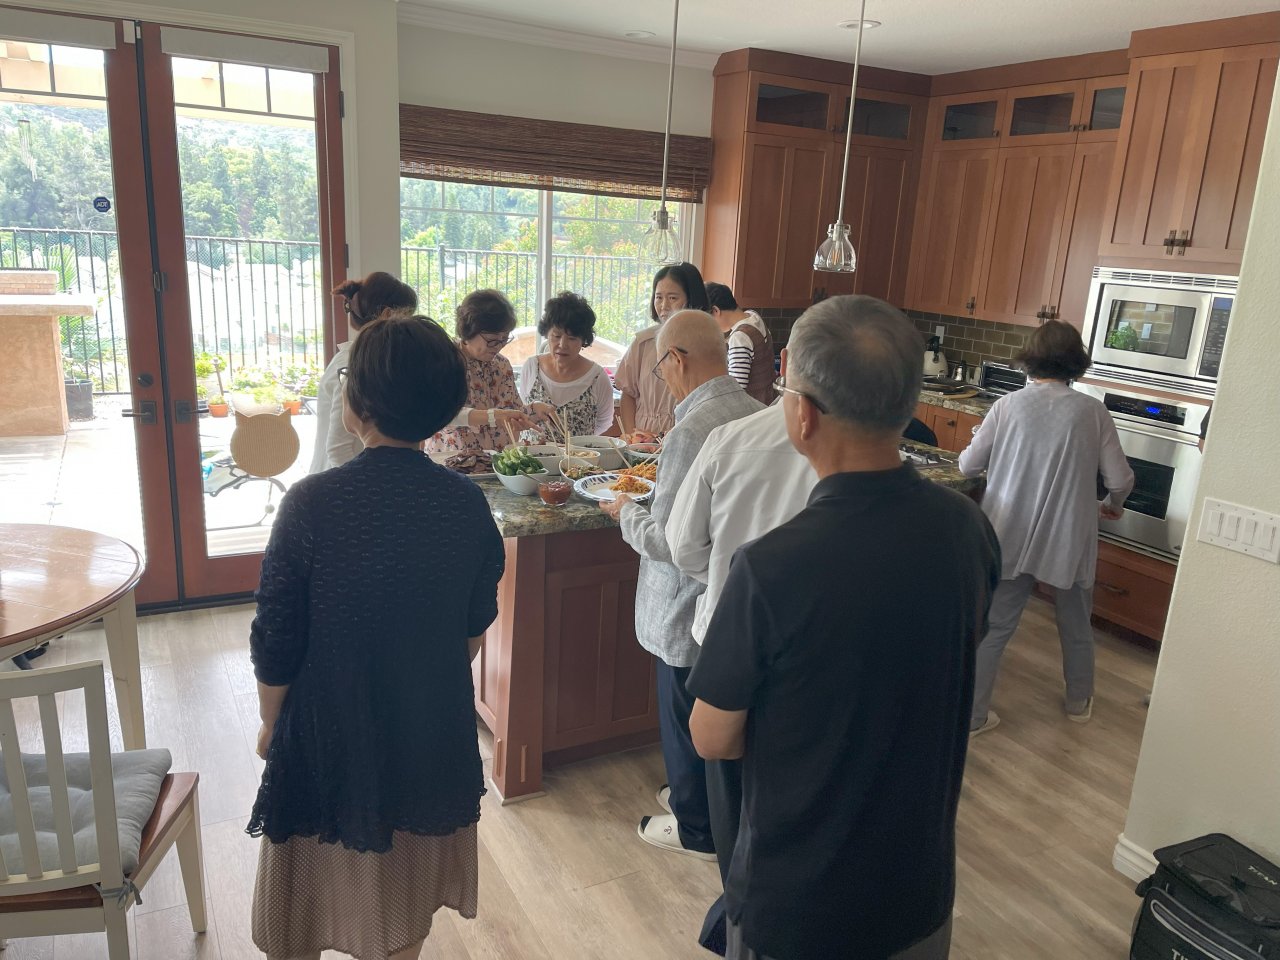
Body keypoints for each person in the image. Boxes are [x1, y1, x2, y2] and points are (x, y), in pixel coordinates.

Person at [688, 295, 1001, 960]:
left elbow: (712, 736)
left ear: (801, 415)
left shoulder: (771, 566)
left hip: (801, 901)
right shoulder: (967, 528)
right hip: (918, 886)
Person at [248, 314, 506, 960]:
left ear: (356, 403)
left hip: (327, 722)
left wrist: (270, 723)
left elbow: (277, 635)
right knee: (403, 890)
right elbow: (473, 625)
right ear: (444, 407)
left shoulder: (311, 503)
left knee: (302, 893)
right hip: (429, 726)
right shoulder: (466, 502)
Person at [599, 310, 762, 861]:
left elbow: (669, 540)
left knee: (682, 712)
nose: (662, 377)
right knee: (715, 711)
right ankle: (709, 806)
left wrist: (624, 510)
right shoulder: (755, 412)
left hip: (684, 601)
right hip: (732, 593)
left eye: (661, 366)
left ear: (678, 358)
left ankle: (695, 826)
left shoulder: (693, 429)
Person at [664, 394, 818, 955]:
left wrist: (729, 575)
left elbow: (683, 546)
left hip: (730, 627)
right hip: (819, 642)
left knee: (730, 780)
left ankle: (740, 907)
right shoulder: (953, 524)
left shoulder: (729, 439)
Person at [959, 319, 1134, 735]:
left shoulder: (1007, 406)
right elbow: (1120, 479)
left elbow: (968, 465)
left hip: (1010, 529)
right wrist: (1112, 505)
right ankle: (1078, 702)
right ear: (1076, 363)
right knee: (1075, 623)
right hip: (1067, 534)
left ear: (1030, 359)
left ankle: (974, 717)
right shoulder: (1092, 411)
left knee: (996, 626)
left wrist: (987, 440)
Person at [425, 289, 549, 471]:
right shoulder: (444, 360)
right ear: (468, 331)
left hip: (497, 463)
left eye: (504, 339)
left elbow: (510, 411)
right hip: (455, 462)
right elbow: (438, 413)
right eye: (492, 340)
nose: (498, 346)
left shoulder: (501, 365)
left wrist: (532, 410)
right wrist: (492, 416)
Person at [310, 272, 417, 473]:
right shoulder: (352, 363)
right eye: (407, 317)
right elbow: (338, 449)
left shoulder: (367, 358)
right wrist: (368, 485)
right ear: (387, 314)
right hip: (341, 480)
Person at [615, 262, 710, 441]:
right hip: (642, 442)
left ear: (691, 299)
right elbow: (628, 394)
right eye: (658, 297)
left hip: (685, 438)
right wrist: (631, 435)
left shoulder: (705, 344)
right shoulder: (643, 342)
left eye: (673, 298)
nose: (664, 305)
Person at [517, 291, 615, 439]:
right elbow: (523, 410)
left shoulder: (597, 377)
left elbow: (604, 421)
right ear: (547, 334)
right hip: (531, 453)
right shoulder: (532, 367)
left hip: (578, 454)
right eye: (556, 336)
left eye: (572, 338)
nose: (562, 345)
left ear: (583, 340)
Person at [705, 281, 775, 406]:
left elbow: (736, 390)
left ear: (715, 311)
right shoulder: (753, 316)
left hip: (753, 408)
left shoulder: (740, 338)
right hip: (768, 400)